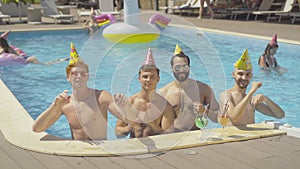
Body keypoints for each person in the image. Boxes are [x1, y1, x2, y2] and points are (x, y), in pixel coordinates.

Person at [32, 43, 127, 140]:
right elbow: (37, 128)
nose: (79, 77)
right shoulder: (65, 104)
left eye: (83, 74)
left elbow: (130, 119)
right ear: (68, 77)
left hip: (99, 152)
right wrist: (54, 106)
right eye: (74, 74)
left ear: (88, 77)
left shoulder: (101, 97)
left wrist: (124, 107)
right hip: (77, 151)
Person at [115, 48, 175, 138]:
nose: (148, 80)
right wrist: (129, 128)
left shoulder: (164, 106)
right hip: (133, 148)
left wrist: (151, 124)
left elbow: (169, 137)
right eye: (145, 77)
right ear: (139, 78)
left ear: (158, 79)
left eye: (152, 77)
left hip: (157, 150)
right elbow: (118, 133)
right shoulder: (130, 102)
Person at [159, 44, 219, 132]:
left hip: (195, 137)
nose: (182, 70)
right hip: (174, 137)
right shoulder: (164, 93)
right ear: (172, 68)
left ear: (189, 67)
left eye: (184, 66)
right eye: (178, 67)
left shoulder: (203, 89)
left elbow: (218, 118)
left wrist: (205, 111)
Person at [219, 49, 285, 126]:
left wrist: (265, 99)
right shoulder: (226, 95)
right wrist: (251, 92)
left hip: (252, 137)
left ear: (251, 76)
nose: (244, 77)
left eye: (247, 74)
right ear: (233, 75)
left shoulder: (251, 100)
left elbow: (280, 115)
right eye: (240, 74)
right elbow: (234, 117)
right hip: (235, 137)